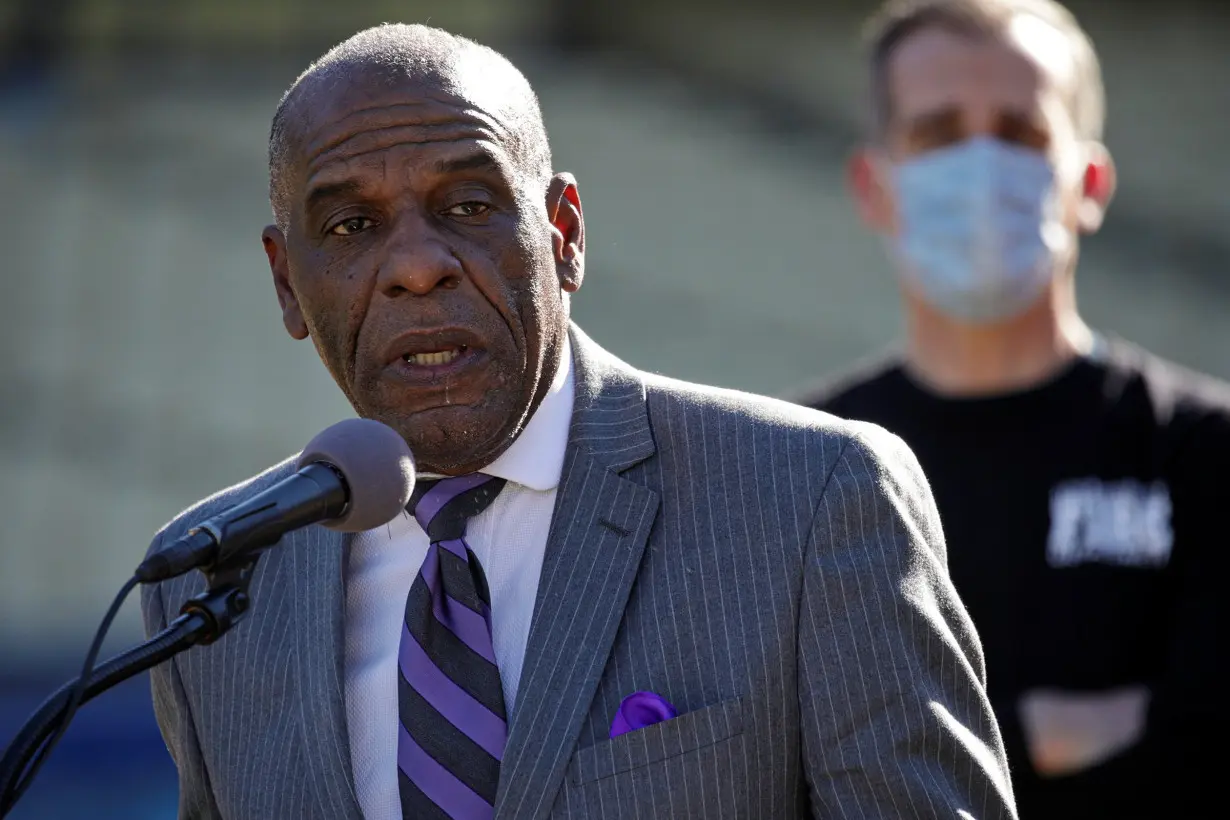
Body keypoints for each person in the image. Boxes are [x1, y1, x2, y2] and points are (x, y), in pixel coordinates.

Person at [141, 23, 1017, 820]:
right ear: (287, 282)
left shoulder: (812, 500)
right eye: (350, 224)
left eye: (470, 206)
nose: (414, 265)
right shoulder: (212, 581)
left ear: (563, 234)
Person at [795, 0, 1230, 816]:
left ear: (1090, 182)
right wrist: (1082, 725)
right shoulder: (795, 467)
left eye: (1022, 134)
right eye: (939, 134)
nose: (982, 165)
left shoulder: (1205, 451)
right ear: (873, 186)